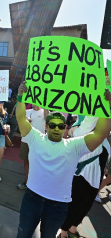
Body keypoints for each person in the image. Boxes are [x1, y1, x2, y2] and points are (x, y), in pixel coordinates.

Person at [15, 81, 111, 238]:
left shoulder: (74, 145)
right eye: (52, 125)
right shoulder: (35, 138)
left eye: (61, 126)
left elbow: (100, 134)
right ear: (46, 126)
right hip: (31, 200)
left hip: (57, 206)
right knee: (23, 235)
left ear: (66, 128)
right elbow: (20, 117)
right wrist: (20, 97)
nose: (56, 129)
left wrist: (106, 107)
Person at [58, 116, 110, 238]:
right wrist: (103, 104)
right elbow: (91, 118)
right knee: (74, 206)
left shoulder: (106, 142)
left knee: (85, 207)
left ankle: (72, 229)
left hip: (95, 180)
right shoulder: (83, 132)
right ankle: (63, 233)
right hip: (80, 178)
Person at [17, 105, 47, 190]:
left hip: (38, 141)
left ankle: (36, 183)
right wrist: (25, 122)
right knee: (26, 161)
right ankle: (27, 181)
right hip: (26, 140)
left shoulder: (44, 111)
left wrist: (45, 106)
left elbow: (47, 119)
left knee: (38, 163)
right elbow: (20, 126)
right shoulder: (27, 111)